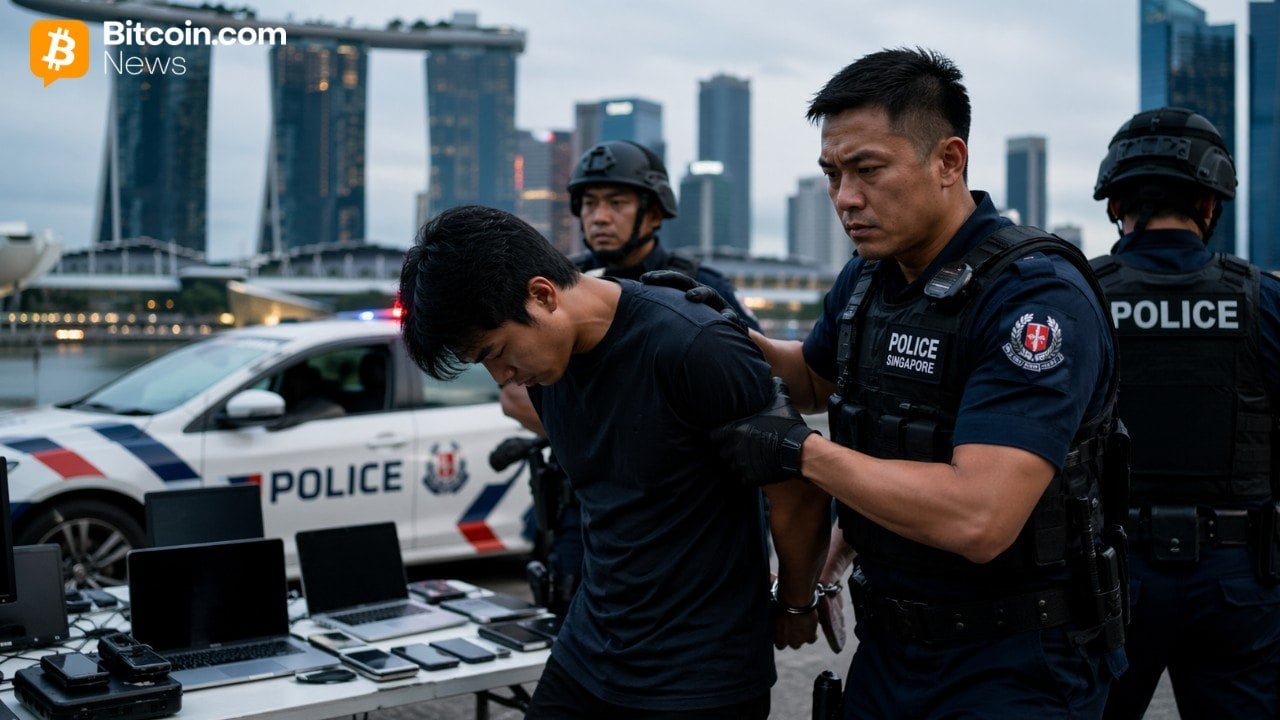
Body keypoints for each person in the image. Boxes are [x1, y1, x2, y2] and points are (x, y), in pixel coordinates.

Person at [675, 47, 1129, 717]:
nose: (845, 198)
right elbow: (813, 380)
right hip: (889, 648)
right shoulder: (869, 279)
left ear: (948, 161)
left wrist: (802, 454)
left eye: (868, 170)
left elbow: (981, 517)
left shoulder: (1033, 298)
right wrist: (707, 331)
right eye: (832, 174)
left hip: (1014, 663)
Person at [398, 205, 829, 717]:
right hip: (588, 647)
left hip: (700, 671)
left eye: (496, 352)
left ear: (542, 295)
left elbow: (798, 495)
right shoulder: (546, 372)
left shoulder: (692, 342)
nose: (501, 377)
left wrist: (796, 603)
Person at [500, 139, 762, 615]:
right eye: (589, 204)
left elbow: (755, 394)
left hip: (682, 514)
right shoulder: (553, 288)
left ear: (654, 213)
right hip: (584, 508)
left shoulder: (698, 288)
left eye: (616, 203)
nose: (599, 217)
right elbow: (514, 397)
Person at [1089, 107, 1280, 720]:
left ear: (1115, 202)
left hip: (1106, 572)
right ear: (1209, 203)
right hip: (1240, 575)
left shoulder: (1077, 296)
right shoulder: (1263, 299)